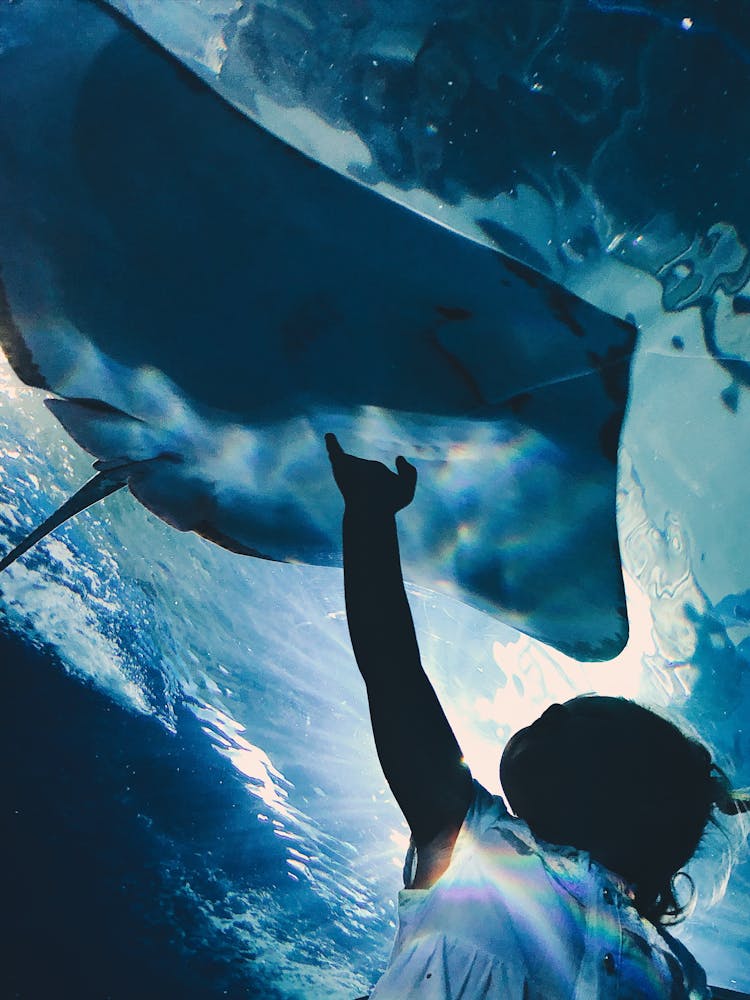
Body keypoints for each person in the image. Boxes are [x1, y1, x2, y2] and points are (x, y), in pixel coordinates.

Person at [325, 433, 748, 999]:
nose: (550, 708)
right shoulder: (469, 837)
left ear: (629, 792)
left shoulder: (667, 970)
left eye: (581, 720)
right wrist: (370, 518)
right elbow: (392, 668)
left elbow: (392, 671)